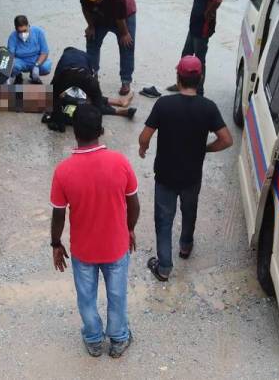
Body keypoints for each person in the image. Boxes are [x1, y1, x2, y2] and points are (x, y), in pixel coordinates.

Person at [50, 104, 140, 358]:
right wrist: (129, 229)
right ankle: (119, 338)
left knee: (86, 298)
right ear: (101, 129)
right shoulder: (120, 162)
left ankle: (93, 339)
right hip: (115, 247)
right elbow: (134, 204)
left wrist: (56, 244)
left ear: (74, 132)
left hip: (83, 250)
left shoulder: (63, 171)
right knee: (117, 295)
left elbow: (58, 214)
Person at [139, 56, 233, 281]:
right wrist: (205, 149)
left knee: (164, 219)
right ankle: (185, 246)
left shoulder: (164, 104)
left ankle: (163, 268)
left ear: (178, 78)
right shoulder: (208, 107)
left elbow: (144, 135)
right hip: (192, 177)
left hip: (165, 176)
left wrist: (143, 148)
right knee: (189, 211)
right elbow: (227, 140)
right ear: (199, 78)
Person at [167, 0, 222, 95]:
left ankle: (199, 91)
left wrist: (208, 13)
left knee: (199, 61)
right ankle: (181, 84)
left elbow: (217, 0)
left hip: (202, 30)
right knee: (185, 55)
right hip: (193, 27)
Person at [47, 47, 136, 133]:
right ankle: (119, 104)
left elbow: (53, 92)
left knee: (73, 99)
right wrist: (98, 127)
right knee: (91, 101)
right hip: (83, 75)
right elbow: (93, 84)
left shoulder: (64, 57)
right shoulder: (86, 56)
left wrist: (57, 121)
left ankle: (119, 105)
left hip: (66, 76)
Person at [80, 0, 137, 97]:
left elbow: (119, 19)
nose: (94, 1)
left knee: (127, 45)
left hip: (124, 15)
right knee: (92, 40)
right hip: (99, 14)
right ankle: (92, 75)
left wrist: (125, 33)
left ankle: (126, 81)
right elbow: (85, 9)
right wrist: (90, 26)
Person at [7, 15, 52, 84]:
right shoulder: (12, 37)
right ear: (16, 29)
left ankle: (34, 77)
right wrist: (7, 77)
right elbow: (10, 55)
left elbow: (44, 52)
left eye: (25, 30)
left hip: (36, 59)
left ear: (28, 26)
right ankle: (18, 75)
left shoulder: (39, 32)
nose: (23, 34)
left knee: (46, 67)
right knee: (11, 67)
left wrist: (37, 65)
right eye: (20, 32)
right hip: (20, 61)